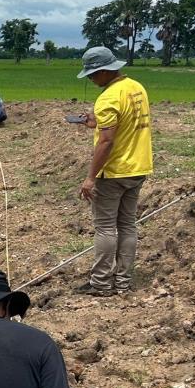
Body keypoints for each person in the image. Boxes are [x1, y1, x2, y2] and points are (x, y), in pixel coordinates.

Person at [74, 46, 153, 296]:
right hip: (138, 167)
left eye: (93, 74)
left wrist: (90, 177)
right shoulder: (136, 87)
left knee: (106, 228)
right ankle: (123, 281)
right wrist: (96, 122)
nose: (91, 78)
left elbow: (106, 142)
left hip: (115, 171)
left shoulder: (108, 97)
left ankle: (101, 284)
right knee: (127, 225)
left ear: (106, 71)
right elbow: (124, 122)